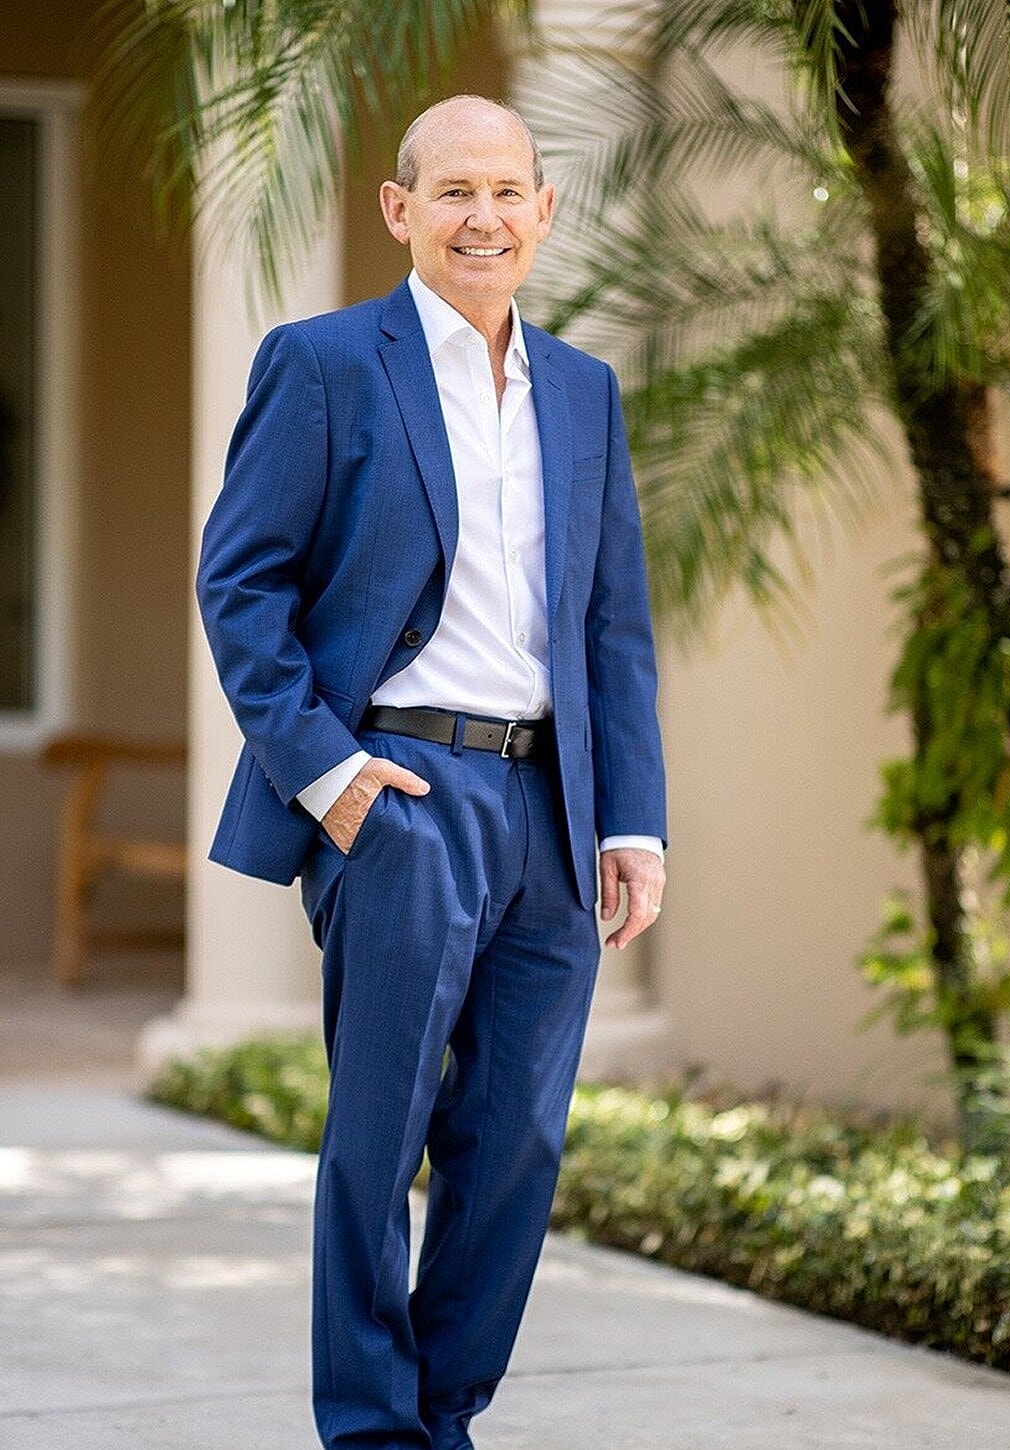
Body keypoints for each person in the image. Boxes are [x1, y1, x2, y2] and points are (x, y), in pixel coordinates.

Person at [196, 95, 667, 1449]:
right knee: (380, 1135)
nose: (483, 218)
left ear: (544, 213)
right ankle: (371, 1430)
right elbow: (241, 585)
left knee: (517, 1139)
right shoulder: (326, 363)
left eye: (508, 192)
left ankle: (442, 1413)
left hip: (552, 809)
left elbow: (612, 625)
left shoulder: (582, 390)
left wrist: (633, 823)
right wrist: (329, 775)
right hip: (399, 788)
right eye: (454, 191)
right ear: (399, 210)